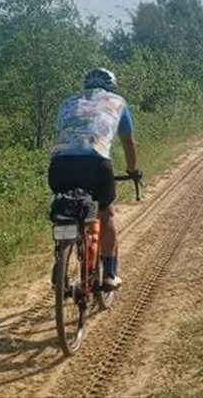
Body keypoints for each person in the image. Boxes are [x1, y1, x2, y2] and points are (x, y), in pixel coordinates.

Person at [48, 68, 141, 289]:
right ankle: (109, 273)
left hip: (59, 164)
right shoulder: (117, 102)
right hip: (95, 162)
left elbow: (61, 134)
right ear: (111, 87)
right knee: (106, 213)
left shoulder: (67, 103)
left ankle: (62, 252)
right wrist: (131, 170)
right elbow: (128, 142)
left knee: (66, 207)